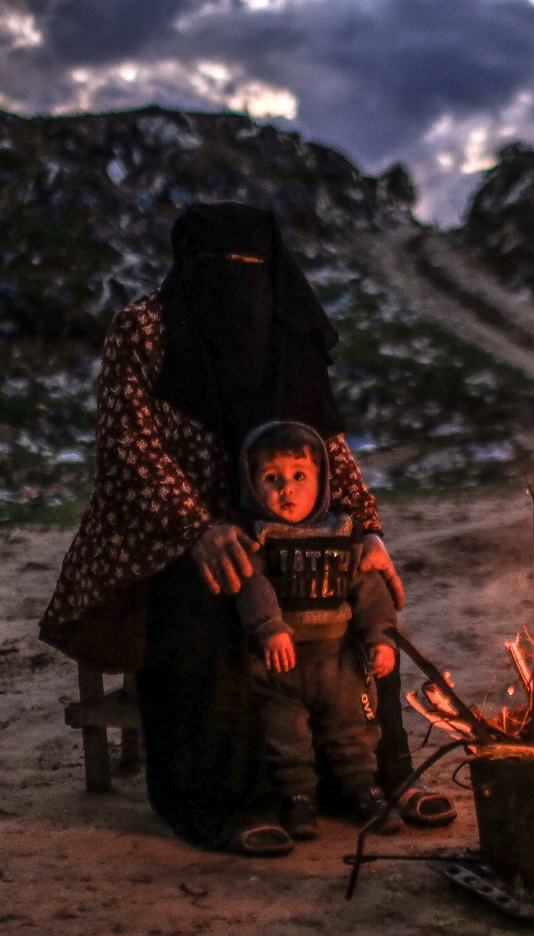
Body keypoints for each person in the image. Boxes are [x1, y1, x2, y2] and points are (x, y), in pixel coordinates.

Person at [40, 202, 455, 856]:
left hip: (281, 517)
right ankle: (228, 801)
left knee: (360, 596)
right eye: (217, 269)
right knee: (210, 606)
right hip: (175, 529)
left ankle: (373, 778)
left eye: (250, 269)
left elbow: (328, 444)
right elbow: (126, 443)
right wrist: (199, 527)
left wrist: (368, 529)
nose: (237, 287)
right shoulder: (146, 329)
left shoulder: (291, 332)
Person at [234, 421, 401, 842]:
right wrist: (270, 627)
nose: (286, 489)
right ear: (253, 485)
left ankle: (366, 793)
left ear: (322, 481)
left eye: (299, 477)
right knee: (285, 740)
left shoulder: (343, 533)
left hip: (337, 659)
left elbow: (368, 588)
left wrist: (380, 637)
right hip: (280, 665)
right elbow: (252, 585)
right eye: (271, 479)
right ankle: (298, 801)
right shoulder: (257, 537)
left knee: (354, 734)